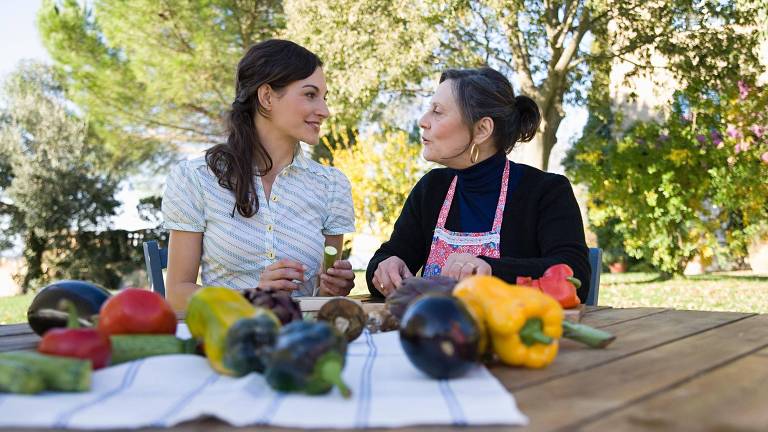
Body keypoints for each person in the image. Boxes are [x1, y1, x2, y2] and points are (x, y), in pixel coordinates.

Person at [162, 39, 355, 312]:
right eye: (310, 95)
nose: (324, 110)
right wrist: (252, 296)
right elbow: (177, 293)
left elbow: (322, 298)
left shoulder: (331, 185)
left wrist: (333, 288)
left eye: (324, 97)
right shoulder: (196, 178)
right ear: (266, 97)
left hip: (298, 339)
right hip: (226, 339)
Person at [367, 67, 590, 301]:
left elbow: (576, 277)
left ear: (482, 129)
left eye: (438, 112)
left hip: (509, 333)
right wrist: (385, 267)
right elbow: (389, 257)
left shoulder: (546, 191)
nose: (423, 121)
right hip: (435, 331)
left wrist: (491, 270)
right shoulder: (432, 189)